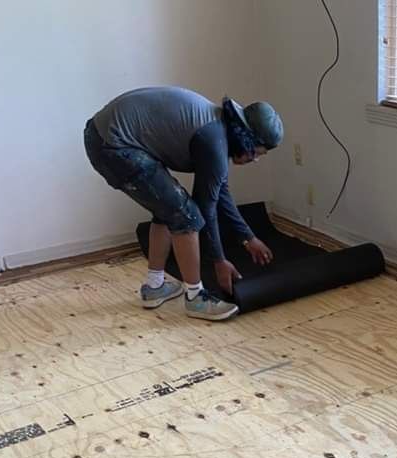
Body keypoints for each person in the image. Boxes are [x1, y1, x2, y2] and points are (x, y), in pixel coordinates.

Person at [84, 86, 283, 320]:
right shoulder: (213, 140)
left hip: (106, 136)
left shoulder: (218, 130)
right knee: (187, 216)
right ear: (246, 139)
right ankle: (195, 298)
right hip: (112, 145)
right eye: (257, 152)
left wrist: (248, 237)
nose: (255, 159)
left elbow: (220, 192)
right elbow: (206, 208)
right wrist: (219, 261)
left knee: (168, 210)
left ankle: (155, 287)